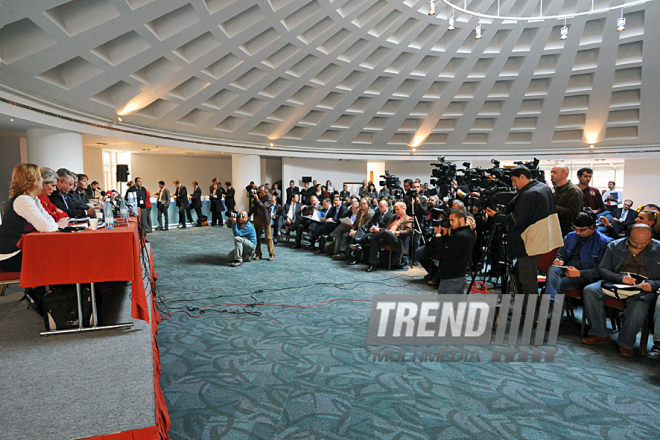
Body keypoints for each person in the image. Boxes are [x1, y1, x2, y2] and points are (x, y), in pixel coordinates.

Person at [582, 224, 660, 358]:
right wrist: (620, 278)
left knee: (639, 304)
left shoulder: (658, 248)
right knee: (590, 290)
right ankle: (600, 333)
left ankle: (625, 343)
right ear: (628, 236)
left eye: (644, 243)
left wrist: (653, 284)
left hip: (645, 286)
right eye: (635, 242)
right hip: (617, 281)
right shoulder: (615, 245)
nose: (640, 246)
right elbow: (603, 269)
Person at [485, 165, 563, 299]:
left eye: (515, 181)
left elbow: (516, 221)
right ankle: (528, 310)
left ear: (522, 177)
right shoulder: (543, 187)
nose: (514, 185)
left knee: (527, 280)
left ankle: (530, 314)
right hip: (543, 239)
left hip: (529, 243)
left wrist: (495, 215)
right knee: (523, 276)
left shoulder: (529, 194)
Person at [0, 164, 67, 272]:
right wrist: (58, 225)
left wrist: (55, 225)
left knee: (61, 253)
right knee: (61, 256)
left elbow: (48, 219)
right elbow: (46, 227)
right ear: (33, 180)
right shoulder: (23, 200)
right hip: (11, 256)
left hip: (21, 251)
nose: (42, 180)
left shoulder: (32, 198)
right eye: (40, 177)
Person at [545, 212, 612, 300]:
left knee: (557, 283)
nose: (577, 232)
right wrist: (559, 260)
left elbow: (602, 271)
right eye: (575, 228)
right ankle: (551, 304)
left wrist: (580, 273)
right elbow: (561, 254)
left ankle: (550, 306)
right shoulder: (570, 236)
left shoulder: (604, 242)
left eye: (582, 230)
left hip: (585, 275)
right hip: (567, 269)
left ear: (592, 226)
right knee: (553, 269)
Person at [362, 201, 413, 272]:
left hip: (398, 239)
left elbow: (409, 231)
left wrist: (396, 232)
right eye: (395, 210)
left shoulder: (408, 218)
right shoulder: (394, 217)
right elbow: (385, 227)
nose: (396, 211)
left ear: (404, 209)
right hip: (387, 236)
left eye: (398, 209)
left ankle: (367, 238)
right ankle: (373, 265)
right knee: (375, 241)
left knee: (385, 232)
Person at [435, 210, 477, 294]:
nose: (450, 223)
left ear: (461, 219)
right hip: (460, 275)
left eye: (452, 220)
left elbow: (442, 252)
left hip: (450, 278)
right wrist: (446, 235)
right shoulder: (470, 233)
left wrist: (438, 235)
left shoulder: (459, 236)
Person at [348, 199, 395, 265]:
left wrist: (377, 229)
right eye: (379, 206)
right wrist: (373, 227)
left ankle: (358, 245)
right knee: (361, 228)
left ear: (386, 206)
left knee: (361, 237)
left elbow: (386, 228)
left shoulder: (391, 216)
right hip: (372, 230)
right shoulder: (378, 213)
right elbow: (371, 222)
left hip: (379, 233)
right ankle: (358, 243)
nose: (380, 208)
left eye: (381, 206)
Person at [550, 164, 584, 237]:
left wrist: (551, 206)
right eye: (551, 172)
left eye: (555, 172)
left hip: (568, 232)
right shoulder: (557, 190)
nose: (552, 175)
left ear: (565, 173)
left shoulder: (574, 191)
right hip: (557, 229)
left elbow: (573, 213)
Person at [251, 185, 275, 261]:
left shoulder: (269, 197)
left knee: (268, 237)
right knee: (257, 236)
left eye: (261, 192)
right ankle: (258, 253)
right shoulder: (257, 195)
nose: (260, 194)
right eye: (259, 192)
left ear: (266, 191)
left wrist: (257, 199)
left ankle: (271, 254)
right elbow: (254, 205)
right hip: (257, 217)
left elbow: (264, 207)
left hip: (265, 219)